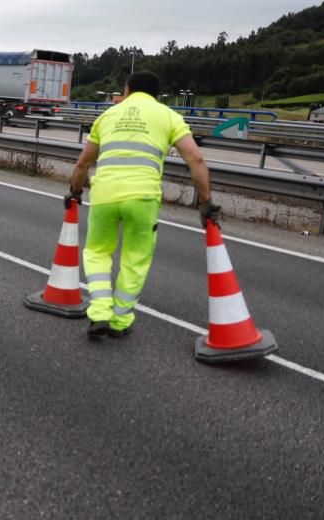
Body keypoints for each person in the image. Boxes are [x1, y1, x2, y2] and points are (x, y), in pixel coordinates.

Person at [66, 71, 220, 339]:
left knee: (97, 252)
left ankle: (100, 311)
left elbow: (83, 163)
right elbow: (196, 159)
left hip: (104, 194)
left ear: (126, 90)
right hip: (143, 197)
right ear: (156, 94)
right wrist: (205, 203)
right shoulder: (168, 115)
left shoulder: (108, 115)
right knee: (135, 258)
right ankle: (120, 320)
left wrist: (75, 191)